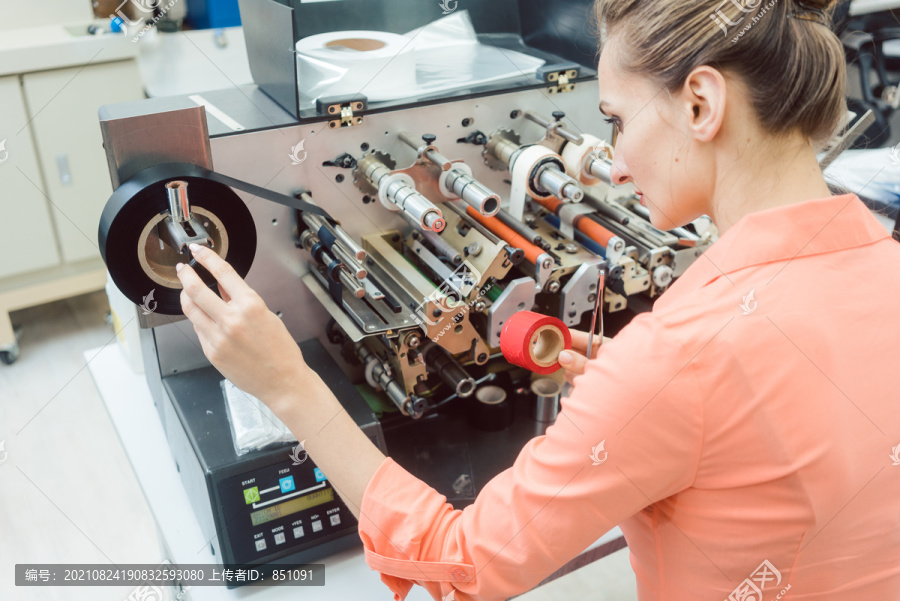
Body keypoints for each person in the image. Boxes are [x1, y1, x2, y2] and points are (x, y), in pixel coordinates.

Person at [174, 0, 900, 598]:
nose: (612, 162)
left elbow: (462, 563)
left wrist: (288, 385)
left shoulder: (679, 358)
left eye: (615, 119)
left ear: (702, 103)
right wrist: (640, 385)